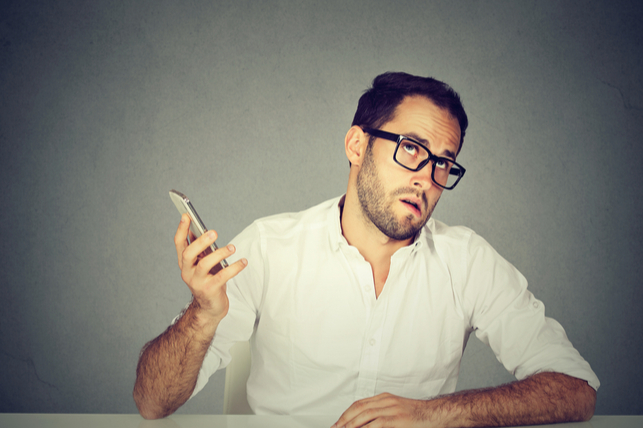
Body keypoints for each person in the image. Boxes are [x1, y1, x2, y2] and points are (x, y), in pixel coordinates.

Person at [133, 72, 599, 427]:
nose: (426, 178)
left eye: (444, 163)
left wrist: (432, 414)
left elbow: (576, 390)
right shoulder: (270, 246)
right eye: (412, 148)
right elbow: (153, 403)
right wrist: (203, 314)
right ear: (357, 145)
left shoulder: (468, 260)